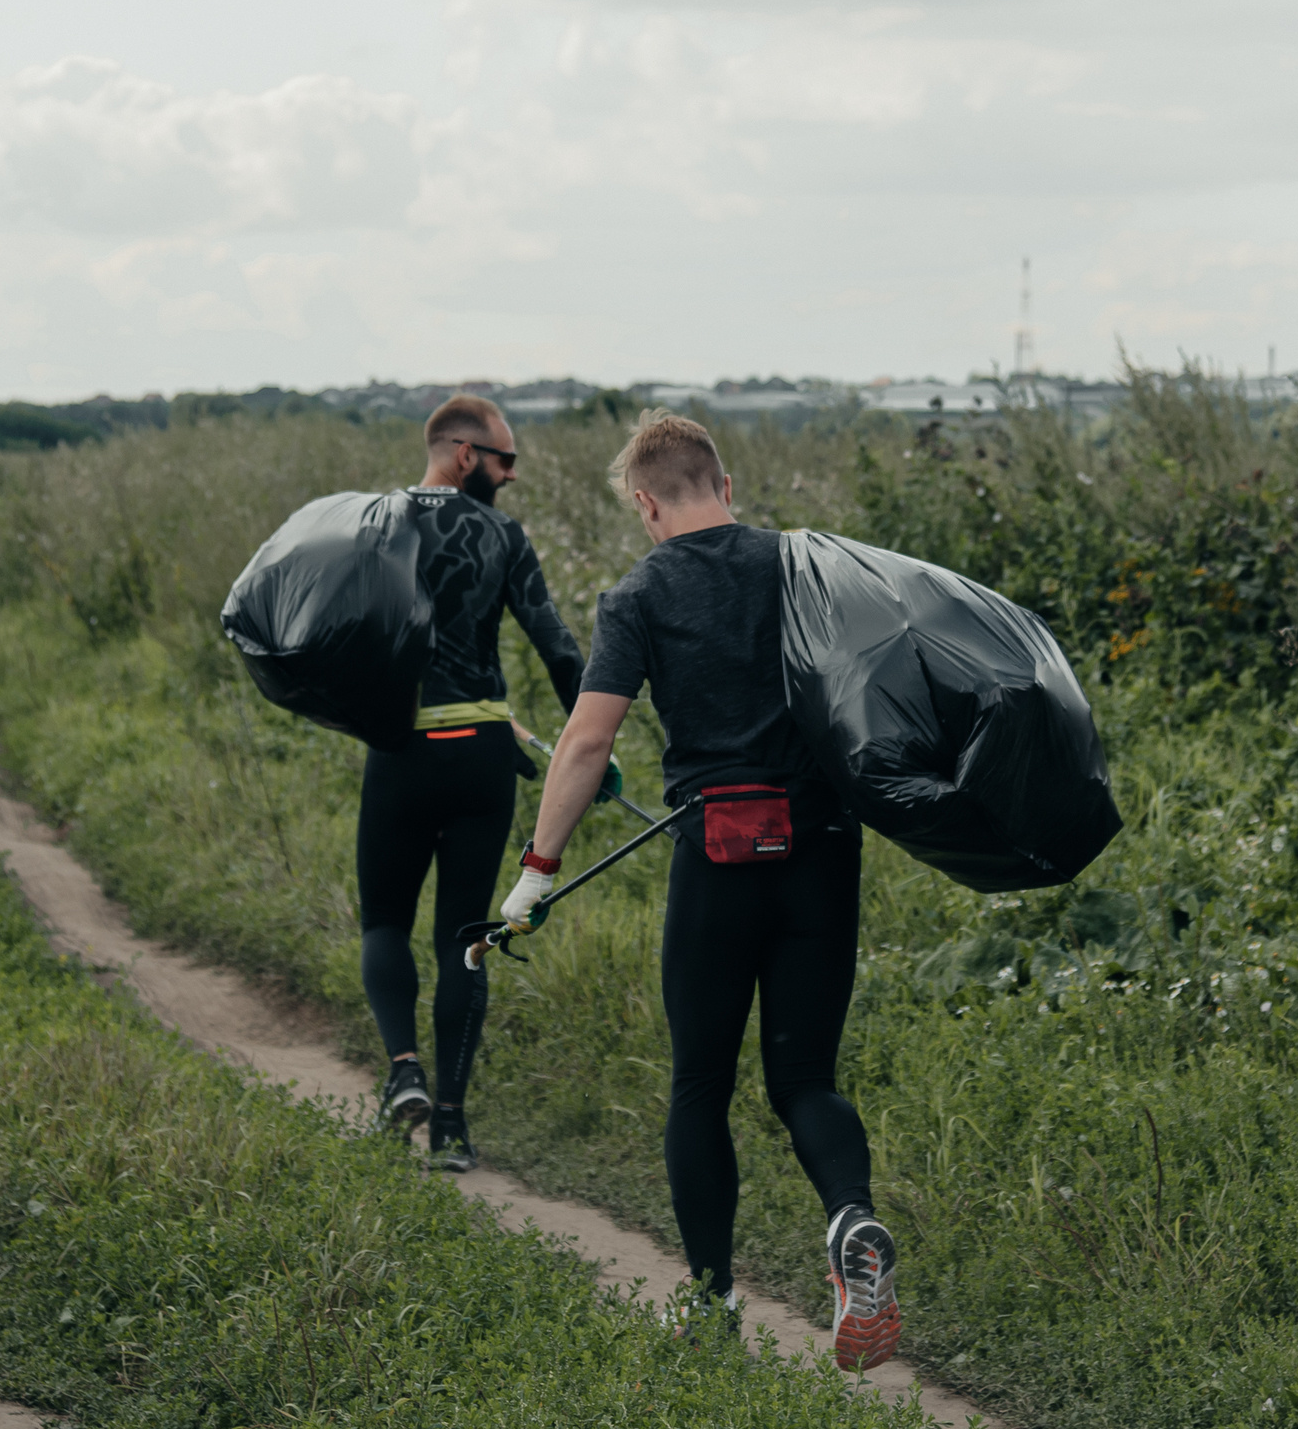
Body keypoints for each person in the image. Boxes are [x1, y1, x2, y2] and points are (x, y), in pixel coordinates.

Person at [500, 408, 903, 1371]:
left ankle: (714, 1304)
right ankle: (852, 1223)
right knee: (806, 1079)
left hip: (717, 858)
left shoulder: (638, 595)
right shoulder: (804, 566)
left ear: (645, 504)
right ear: (723, 485)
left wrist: (536, 872)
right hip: (823, 851)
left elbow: (589, 742)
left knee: (700, 1086)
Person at [362, 393, 590, 1173]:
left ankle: (402, 1073)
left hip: (402, 749)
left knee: (384, 924)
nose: (511, 476)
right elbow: (556, 646)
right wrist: (593, 739)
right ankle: (452, 1131)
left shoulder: (377, 524)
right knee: (466, 939)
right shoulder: (503, 535)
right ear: (464, 454)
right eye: (505, 460)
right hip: (483, 752)